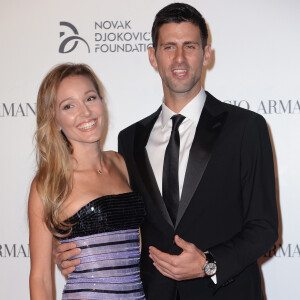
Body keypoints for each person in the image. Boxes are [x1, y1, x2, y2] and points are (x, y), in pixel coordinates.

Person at [54, 3, 278, 300]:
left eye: (190, 46)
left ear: (206, 54)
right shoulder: (129, 140)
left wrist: (209, 264)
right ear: (153, 56)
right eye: (169, 47)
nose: (180, 58)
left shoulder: (246, 127)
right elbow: (123, 221)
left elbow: (264, 228)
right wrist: (78, 251)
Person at [28, 63, 145, 300]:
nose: (85, 112)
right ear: (55, 119)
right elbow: (40, 277)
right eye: (69, 106)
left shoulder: (121, 163)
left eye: (90, 98)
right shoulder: (49, 183)